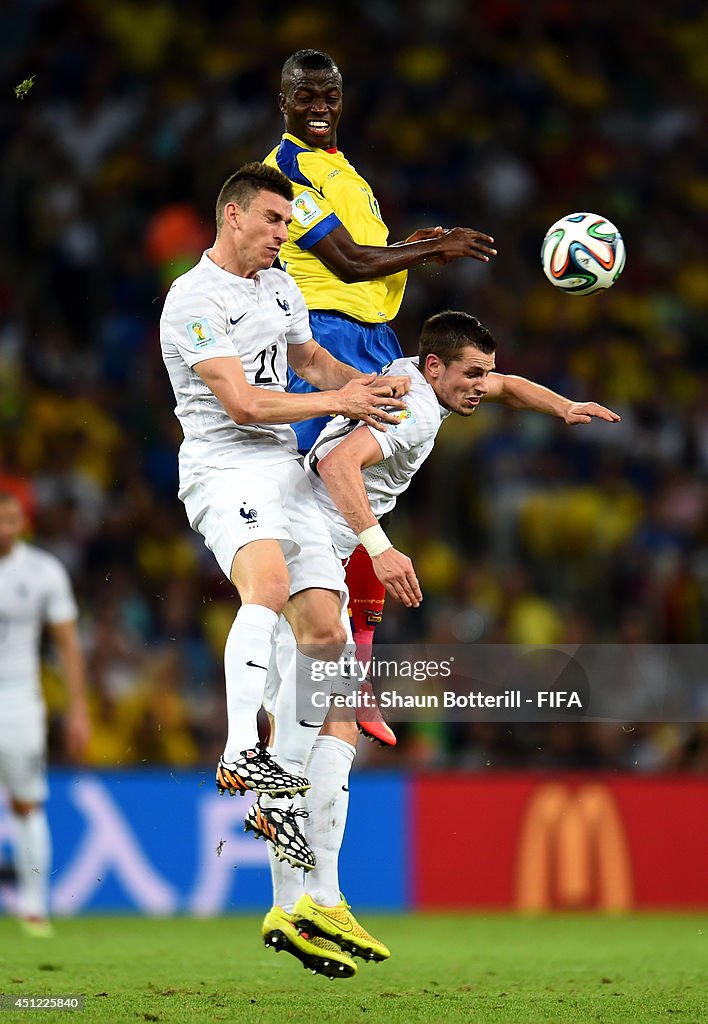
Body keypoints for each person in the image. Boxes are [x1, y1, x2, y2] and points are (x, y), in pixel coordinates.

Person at [260, 310, 621, 976]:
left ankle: (305, 900)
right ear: (435, 368)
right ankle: (305, 881)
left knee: (330, 718)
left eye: (484, 372)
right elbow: (340, 462)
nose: (484, 385)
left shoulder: (411, 377)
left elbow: (510, 385)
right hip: (309, 538)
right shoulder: (418, 415)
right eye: (472, 373)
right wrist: (382, 548)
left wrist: (562, 404)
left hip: (301, 533)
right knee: (318, 713)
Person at [158, 161, 410, 908]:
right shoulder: (193, 299)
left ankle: (285, 779)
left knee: (328, 637)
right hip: (224, 463)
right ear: (232, 215)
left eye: (287, 222)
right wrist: (338, 400)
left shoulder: (278, 284)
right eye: (274, 220)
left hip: (282, 463)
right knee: (266, 585)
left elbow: (307, 359)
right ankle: (240, 747)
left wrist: (361, 384)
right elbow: (238, 403)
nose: (283, 233)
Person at [264, 49, 498, 743]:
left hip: (369, 335)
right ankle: (283, 708)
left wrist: (410, 244)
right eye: (305, 96)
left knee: (377, 489)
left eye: (329, 95)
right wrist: (429, 251)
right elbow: (347, 264)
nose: (319, 106)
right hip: (325, 347)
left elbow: (370, 262)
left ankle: (353, 667)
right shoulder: (287, 173)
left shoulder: (347, 174)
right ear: (284, 102)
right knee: (323, 509)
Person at [0, 491, 90, 937]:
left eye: (10, 519)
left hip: (18, 699)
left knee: (26, 800)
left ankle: (34, 908)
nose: (4, 528)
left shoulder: (42, 571)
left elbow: (68, 645)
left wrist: (78, 709)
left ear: (22, 522)